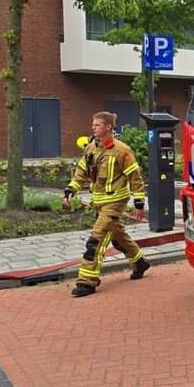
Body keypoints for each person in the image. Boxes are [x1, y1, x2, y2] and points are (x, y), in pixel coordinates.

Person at [64, 112, 149, 297]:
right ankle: (139, 262)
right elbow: (81, 172)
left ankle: (87, 281)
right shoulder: (91, 149)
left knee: (96, 240)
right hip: (99, 202)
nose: (92, 128)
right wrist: (71, 189)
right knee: (118, 238)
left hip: (115, 202)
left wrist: (139, 203)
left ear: (108, 127)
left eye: (96, 125)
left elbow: (135, 177)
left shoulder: (121, 150)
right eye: (93, 124)